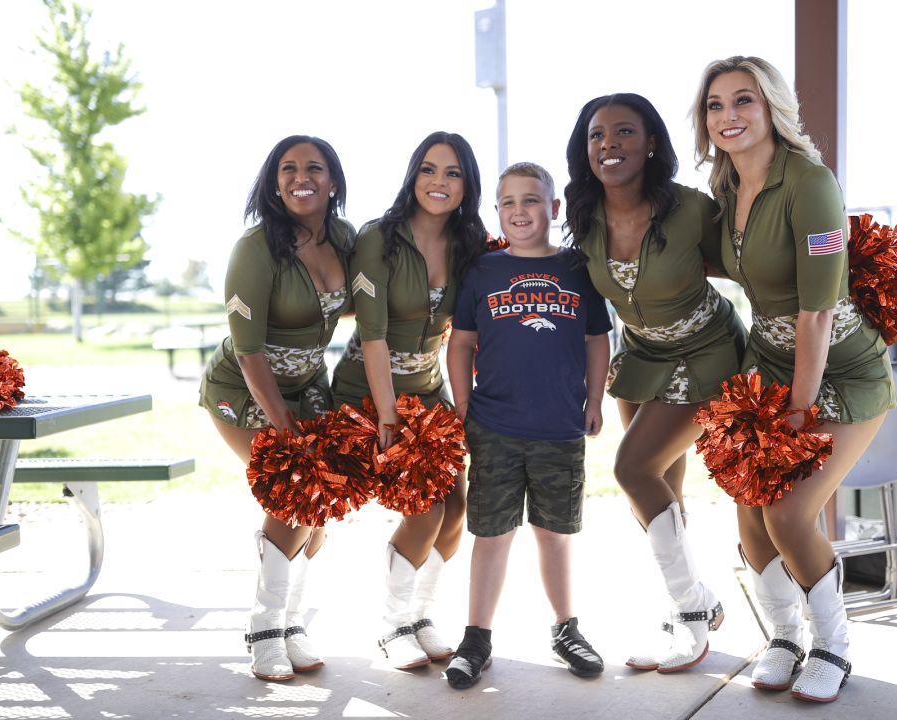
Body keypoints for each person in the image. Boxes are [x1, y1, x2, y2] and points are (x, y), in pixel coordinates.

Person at [691, 56, 896, 703]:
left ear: (771, 106)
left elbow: (813, 312)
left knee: (789, 511)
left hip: (843, 370)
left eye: (743, 100)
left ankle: (832, 641)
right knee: (750, 513)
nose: (729, 116)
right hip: (769, 366)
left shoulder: (810, 182)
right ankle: (783, 637)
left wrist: (799, 412)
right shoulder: (726, 190)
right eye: (716, 105)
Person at [562, 93, 746, 673]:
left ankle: (696, 611)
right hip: (642, 356)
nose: (608, 144)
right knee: (661, 487)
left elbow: (749, 263)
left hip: (708, 350)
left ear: (650, 144)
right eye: (597, 135)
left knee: (631, 470)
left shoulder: (690, 209)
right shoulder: (585, 215)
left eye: (623, 132)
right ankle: (683, 609)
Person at [443, 162, 612, 689]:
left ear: (554, 208)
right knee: (492, 534)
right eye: (509, 202)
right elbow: (461, 342)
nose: (520, 211)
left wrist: (595, 400)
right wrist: (464, 402)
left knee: (554, 533)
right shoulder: (483, 271)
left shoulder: (577, 268)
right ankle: (476, 637)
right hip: (494, 424)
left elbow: (596, 340)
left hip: (560, 424)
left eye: (532, 200)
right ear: (497, 211)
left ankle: (566, 628)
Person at [330, 131, 488, 670]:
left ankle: (420, 615)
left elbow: (474, 331)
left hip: (430, 392)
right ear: (412, 176)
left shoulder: (470, 244)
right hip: (369, 393)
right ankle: (392, 626)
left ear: (467, 185)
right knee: (426, 509)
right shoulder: (381, 238)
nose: (438, 183)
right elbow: (372, 336)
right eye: (428, 169)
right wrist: (388, 414)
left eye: (451, 173)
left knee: (457, 509)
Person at [198, 135, 354, 681]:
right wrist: (285, 427)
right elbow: (248, 350)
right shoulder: (255, 247)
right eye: (288, 168)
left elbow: (375, 303)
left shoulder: (344, 238)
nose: (300, 176)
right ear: (273, 180)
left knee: (318, 516)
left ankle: (290, 626)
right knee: (295, 492)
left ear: (332, 181)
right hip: (243, 388)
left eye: (314, 167)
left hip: (309, 386)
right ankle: (264, 630)